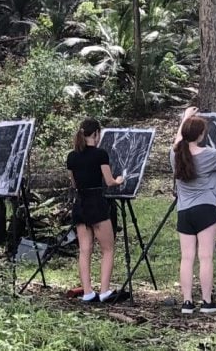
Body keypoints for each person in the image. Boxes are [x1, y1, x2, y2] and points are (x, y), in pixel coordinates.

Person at [171, 107, 216, 314]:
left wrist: (185, 118)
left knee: (187, 258)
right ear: (200, 135)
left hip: (184, 211)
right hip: (206, 209)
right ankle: (207, 302)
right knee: (205, 257)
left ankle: (187, 302)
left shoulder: (175, 155)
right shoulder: (208, 154)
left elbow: (177, 141)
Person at [67, 118, 124, 303]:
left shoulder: (72, 156)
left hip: (80, 203)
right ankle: (105, 290)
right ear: (96, 134)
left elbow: (74, 182)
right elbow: (109, 181)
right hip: (96, 204)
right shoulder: (100, 154)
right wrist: (119, 180)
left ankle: (88, 292)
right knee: (108, 248)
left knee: (85, 250)